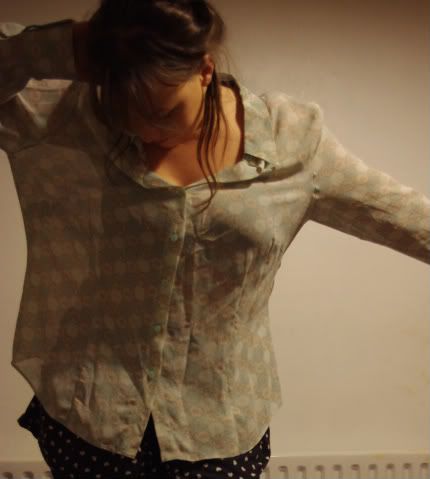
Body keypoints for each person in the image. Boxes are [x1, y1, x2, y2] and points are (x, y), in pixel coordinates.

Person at [1, 1, 429, 478]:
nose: (143, 131)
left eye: (162, 112)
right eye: (122, 112)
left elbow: (400, 214)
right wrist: (67, 45)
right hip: (91, 411)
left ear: (204, 70)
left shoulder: (291, 140)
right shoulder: (70, 115)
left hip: (217, 424)